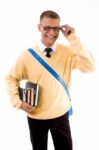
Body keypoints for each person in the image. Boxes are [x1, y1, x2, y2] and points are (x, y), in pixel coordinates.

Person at [5, 10, 95, 150]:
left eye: (55, 28)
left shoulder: (68, 52)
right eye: (47, 28)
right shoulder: (26, 55)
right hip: (35, 116)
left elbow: (90, 67)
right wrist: (18, 102)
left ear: (60, 29)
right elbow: (11, 78)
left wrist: (73, 39)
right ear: (39, 27)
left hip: (60, 114)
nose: (51, 33)